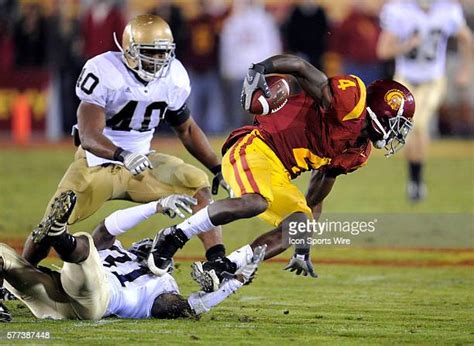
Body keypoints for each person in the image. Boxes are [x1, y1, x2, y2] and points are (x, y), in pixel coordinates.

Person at [144, 54, 415, 291]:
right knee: (255, 201)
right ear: (381, 111)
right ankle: (174, 236)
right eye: (398, 123)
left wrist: (302, 241)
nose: (397, 132)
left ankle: (225, 266)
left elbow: (318, 191)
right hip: (257, 145)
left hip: (279, 173)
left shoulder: (359, 151)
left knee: (299, 224)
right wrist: (260, 68)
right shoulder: (351, 101)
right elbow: (299, 66)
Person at [22, 14, 233, 270]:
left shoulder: (174, 76)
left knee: (197, 184)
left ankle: (217, 262)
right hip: (97, 163)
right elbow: (88, 136)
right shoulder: (105, 71)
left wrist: (217, 168)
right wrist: (123, 155)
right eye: (149, 53)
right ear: (130, 50)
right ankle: (19, 274)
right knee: (53, 221)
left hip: (143, 162)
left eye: (163, 53)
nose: (157, 61)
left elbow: (186, 129)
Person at [0, 191, 265, 321]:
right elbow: (108, 226)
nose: (149, 243)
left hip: (97, 300)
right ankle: (58, 235)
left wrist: (235, 282)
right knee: (5, 257)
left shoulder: (163, 286)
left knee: (85, 248)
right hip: (55, 299)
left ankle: (58, 234)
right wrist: (156, 206)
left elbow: (187, 308)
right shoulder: (117, 250)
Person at [376, 0, 472, 201]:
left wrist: (466, 69)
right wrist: (406, 46)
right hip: (405, 79)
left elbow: (466, 38)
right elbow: (383, 50)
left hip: (432, 80)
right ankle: (415, 180)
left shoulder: (447, 10)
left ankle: (415, 181)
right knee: (411, 129)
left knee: (417, 124)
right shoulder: (399, 10)